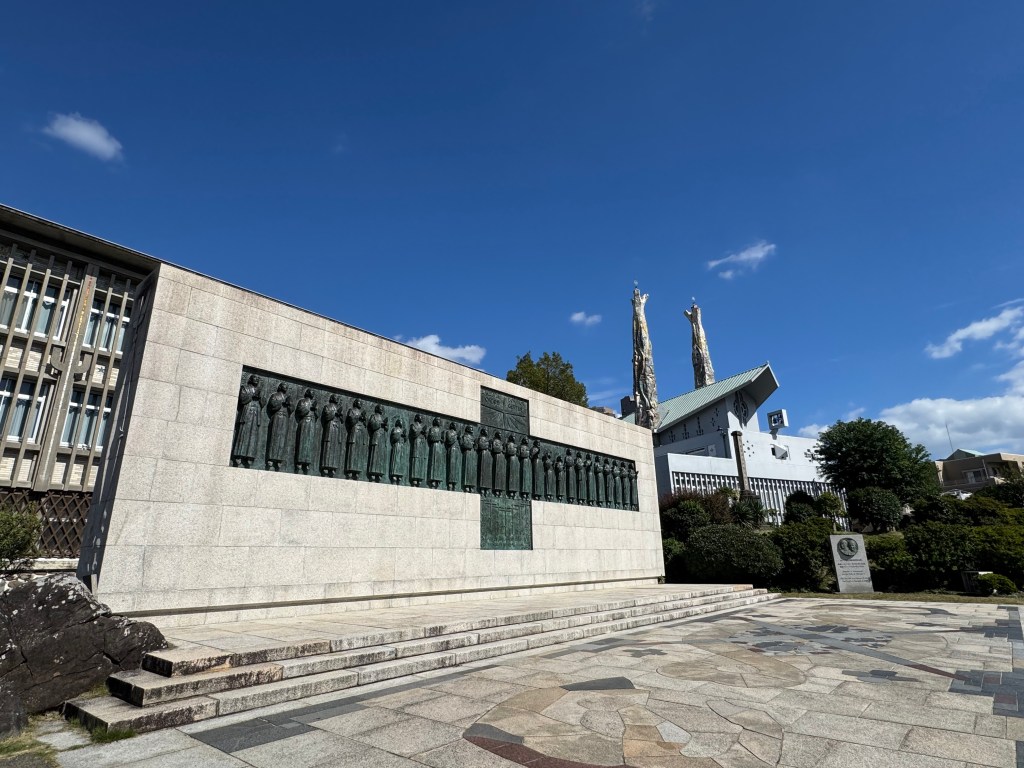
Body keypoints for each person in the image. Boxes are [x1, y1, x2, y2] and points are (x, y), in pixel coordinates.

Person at [231, 374, 262, 467]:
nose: (256, 380)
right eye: (255, 378)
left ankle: (250, 456)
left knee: (253, 435)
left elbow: (263, 403)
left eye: (258, 379)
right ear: (251, 379)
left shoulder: (259, 390)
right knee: (243, 434)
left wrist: (260, 398)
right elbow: (242, 400)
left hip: (256, 414)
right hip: (247, 413)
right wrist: (252, 396)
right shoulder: (245, 388)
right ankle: (239, 456)